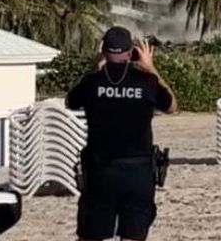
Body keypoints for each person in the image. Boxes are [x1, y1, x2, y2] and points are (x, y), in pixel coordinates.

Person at [66, 27, 178, 241]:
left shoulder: (92, 82)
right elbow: (171, 105)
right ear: (131, 52)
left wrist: (94, 66)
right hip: (138, 171)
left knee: (92, 234)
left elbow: (70, 101)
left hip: (101, 170)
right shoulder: (147, 82)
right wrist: (151, 67)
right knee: (133, 234)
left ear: (103, 50)